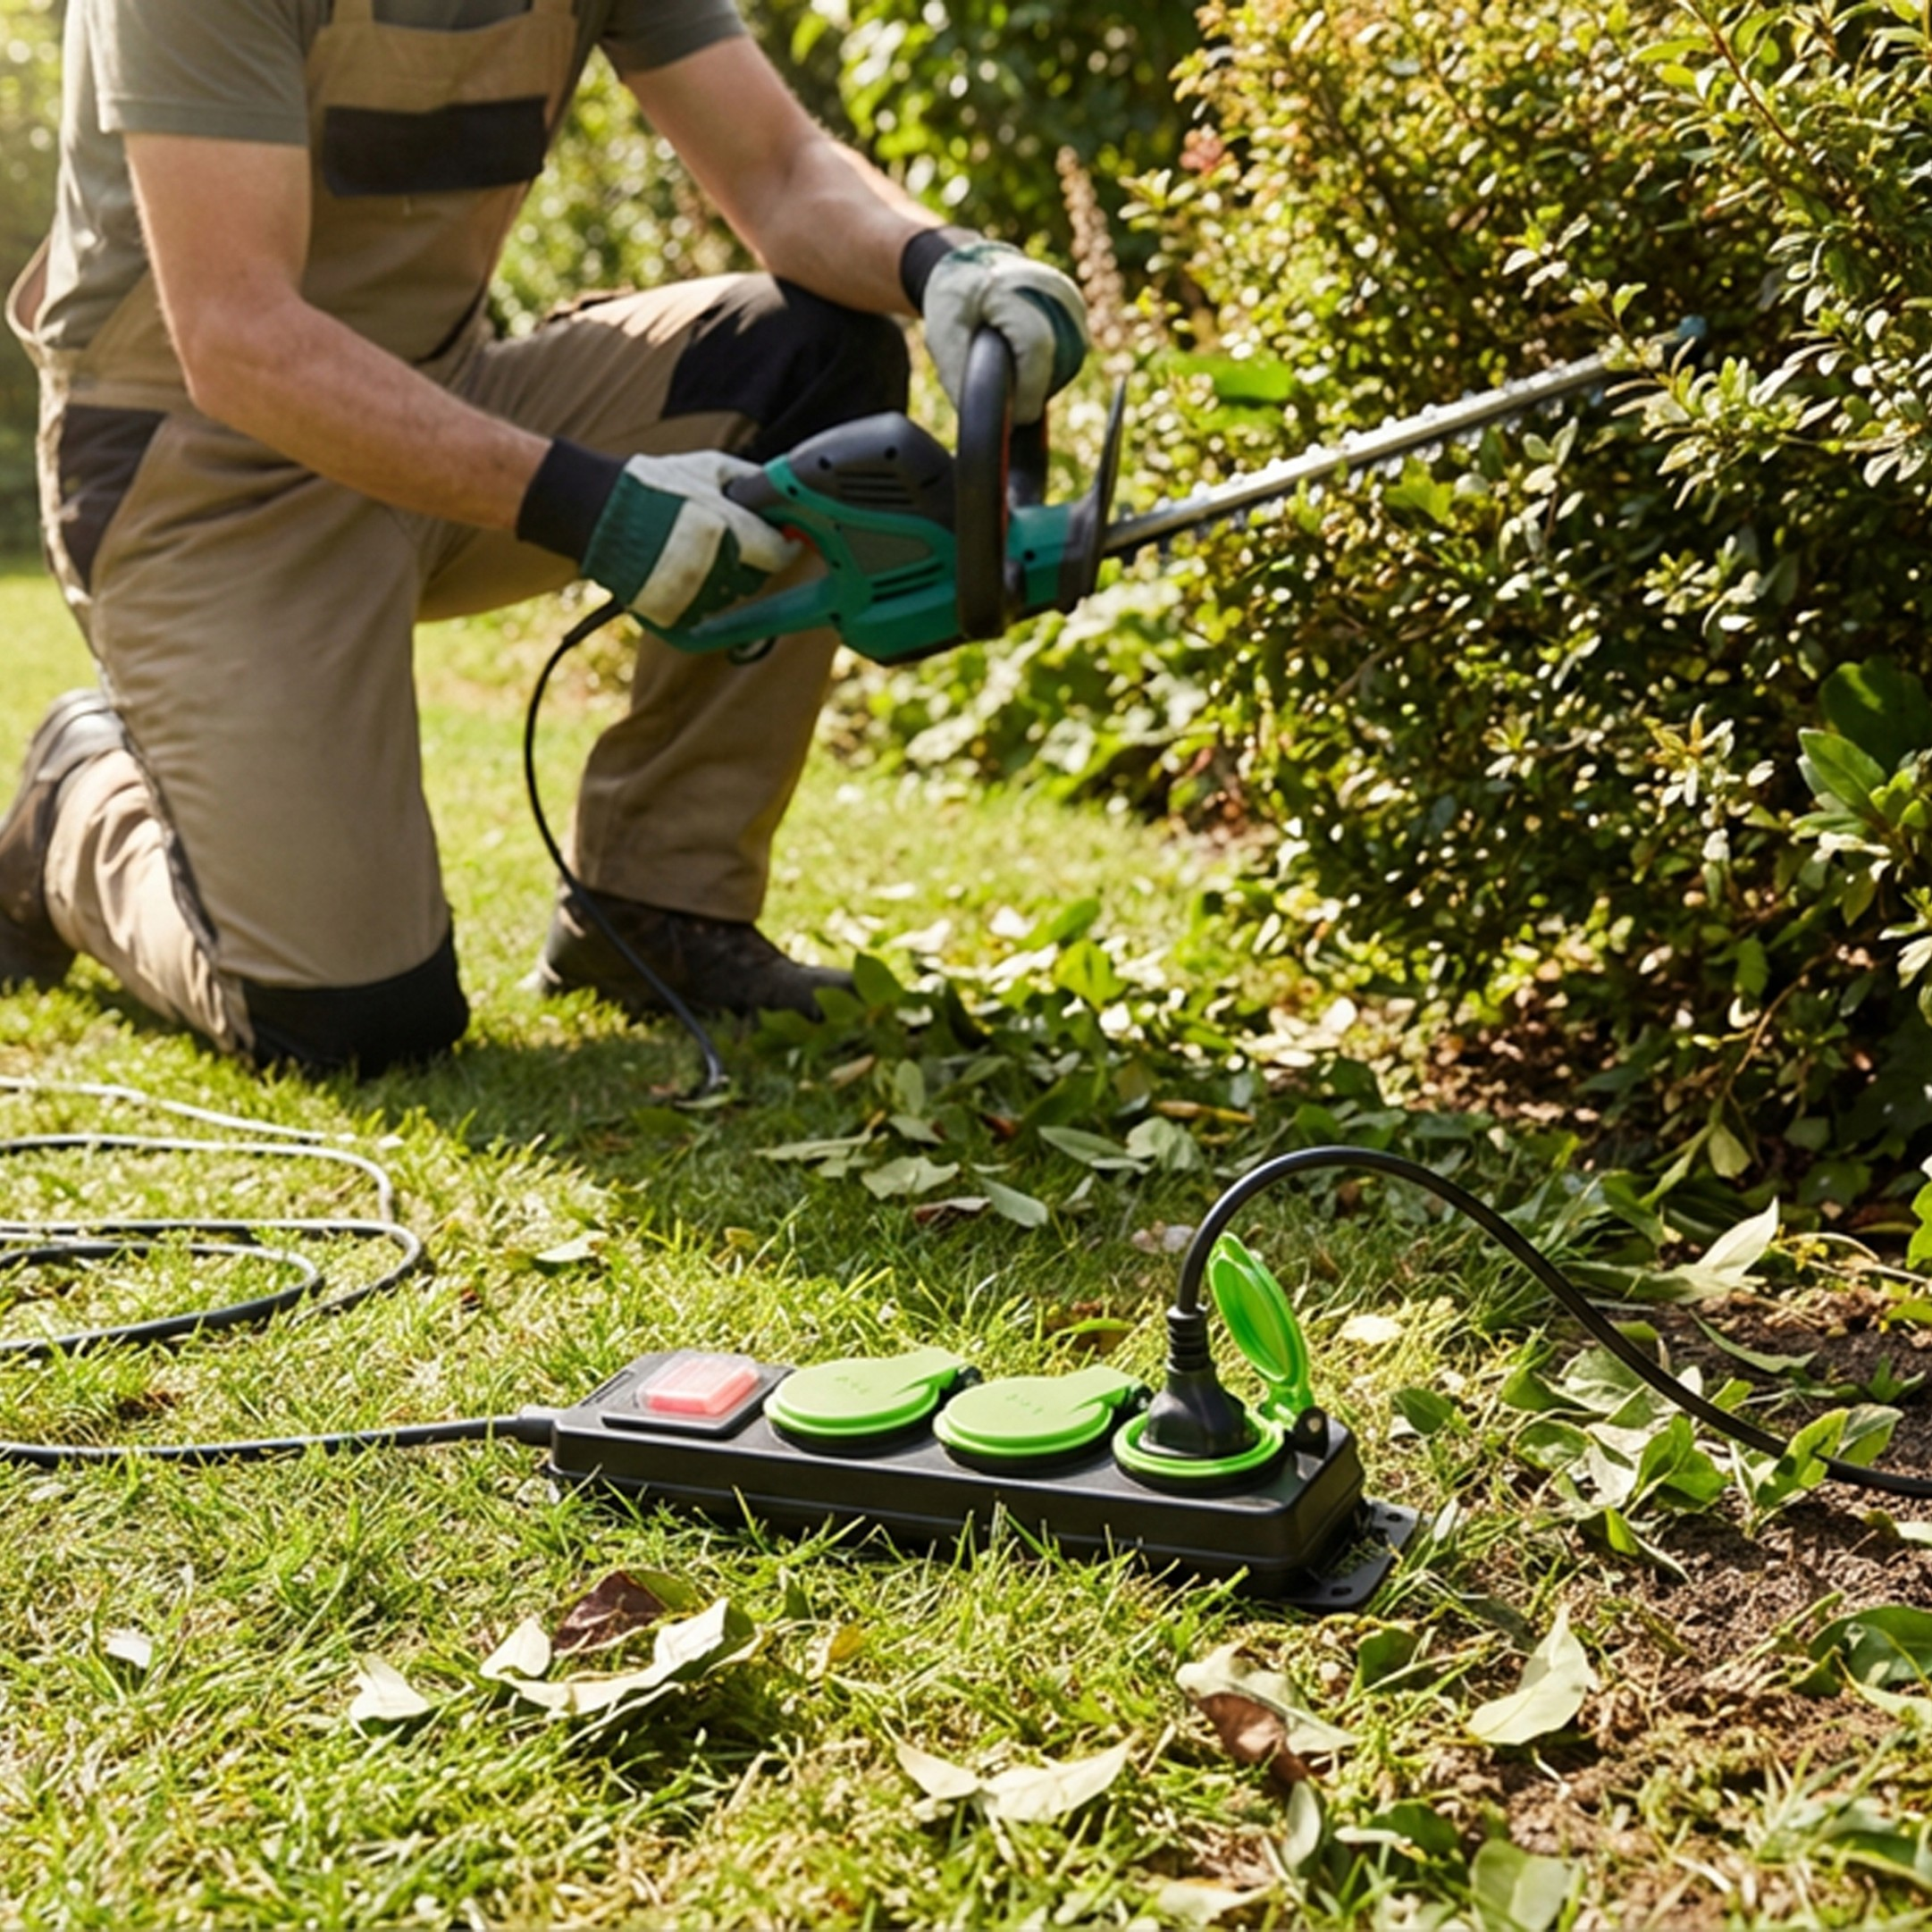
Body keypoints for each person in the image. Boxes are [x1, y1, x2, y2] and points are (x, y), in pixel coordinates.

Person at [0, 0, 1088, 1074]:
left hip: (446, 400)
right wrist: (597, 505)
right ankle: (78, 805)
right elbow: (237, 333)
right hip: (197, 475)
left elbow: (780, 168)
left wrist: (942, 264)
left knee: (808, 358)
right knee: (352, 1015)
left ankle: (658, 908)